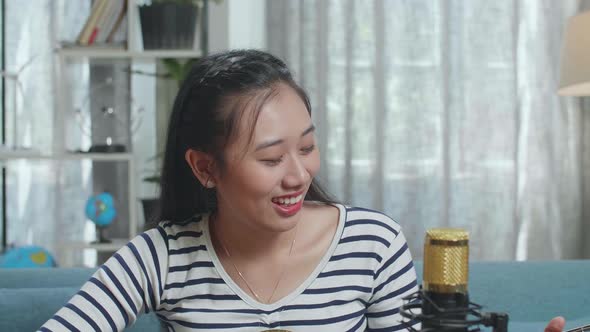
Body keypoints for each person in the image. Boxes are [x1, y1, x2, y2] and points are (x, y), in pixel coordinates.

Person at [40, 50, 566, 331]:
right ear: (205, 168)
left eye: (307, 146)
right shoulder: (161, 257)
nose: (298, 175)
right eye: (270, 158)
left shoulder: (371, 243)